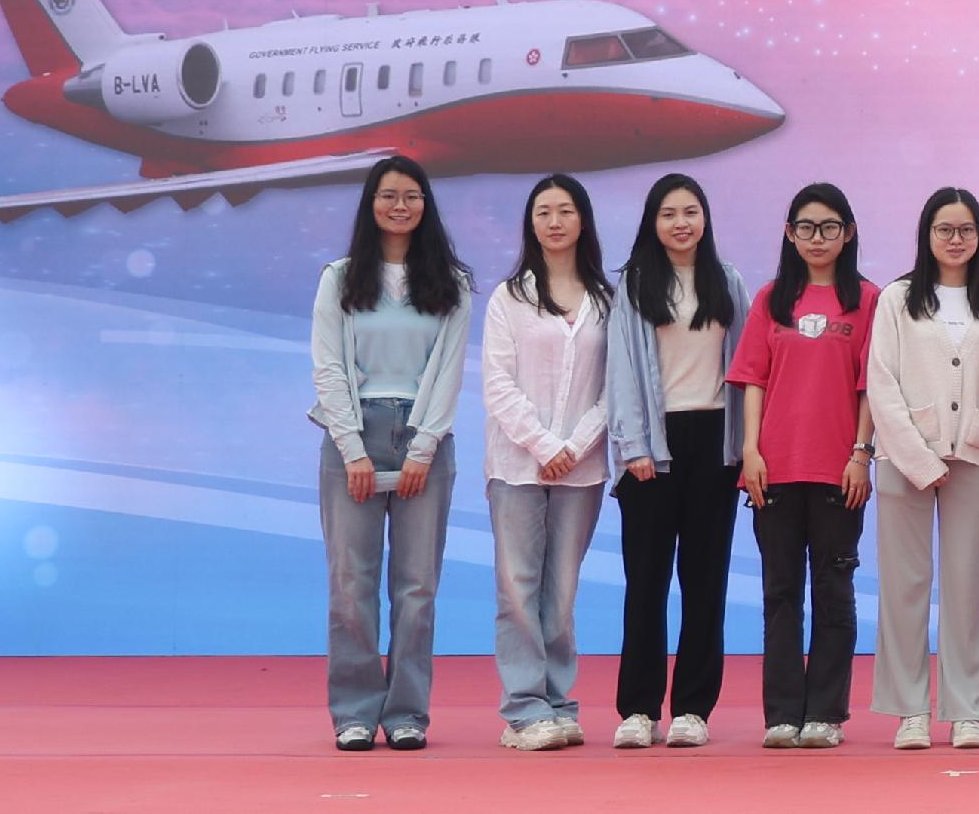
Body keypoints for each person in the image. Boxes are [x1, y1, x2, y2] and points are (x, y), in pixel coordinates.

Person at [311, 156, 472, 752]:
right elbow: (328, 365)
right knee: (351, 585)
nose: (399, 206)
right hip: (352, 436)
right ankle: (354, 712)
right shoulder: (340, 277)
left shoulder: (451, 282)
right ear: (371, 204)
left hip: (424, 438)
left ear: (426, 205)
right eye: (388, 196)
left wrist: (423, 447)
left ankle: (406, 713)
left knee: (416, 587)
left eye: (411, 196)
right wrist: (352, 448)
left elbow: (448, 370)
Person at [603, 172, 751, 749]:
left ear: (705, 218)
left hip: (715, 443)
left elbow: (747, 367)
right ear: (653, 222)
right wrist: (633, 446)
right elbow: (621, 368)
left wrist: (745, 446)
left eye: (691, 212)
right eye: (669, 214)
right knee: (646, 582)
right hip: (653, 447)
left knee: (705, 581)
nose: (681, 223)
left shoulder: (727, 280)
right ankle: (639, 709)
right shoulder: (636, 283)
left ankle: (693, 708)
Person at [866, 187, 979, 752]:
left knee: (967, 586)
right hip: (904, 459)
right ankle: (910, 711)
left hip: (976, 457)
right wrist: (917, 458)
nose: (956, 239)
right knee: (904, 586)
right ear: (926, 235)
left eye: (966, 230)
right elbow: (880, 383)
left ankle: (967, 711)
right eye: (944, 229)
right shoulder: (897, 299)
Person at [730, 183, 876, 750]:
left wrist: (861, 454)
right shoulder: (772, 299)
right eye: (807, 227)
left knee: (834, 591)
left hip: (840, 471)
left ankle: (826, 714)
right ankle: (783, 714)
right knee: (780, 593)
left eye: (829, 227)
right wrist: (751, 452)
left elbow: (869, 386)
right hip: (775, 470)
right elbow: (753, 380)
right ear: (790, 234)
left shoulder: (867, 300)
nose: (818, 238)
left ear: (849, 233)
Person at [481, 174, 614, 753]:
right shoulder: (508, 298)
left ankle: (558, 703)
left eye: (565, 211)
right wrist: (543, 445)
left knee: (560, 593)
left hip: (581, 470)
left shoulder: (607, 300)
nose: (554, 222)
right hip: (516, 465)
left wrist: (574, 447)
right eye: (543, 212)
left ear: (583, 220)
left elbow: (615, 388)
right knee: (518, 587)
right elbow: (497, 383)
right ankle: (523, 710)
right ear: (530, 223)